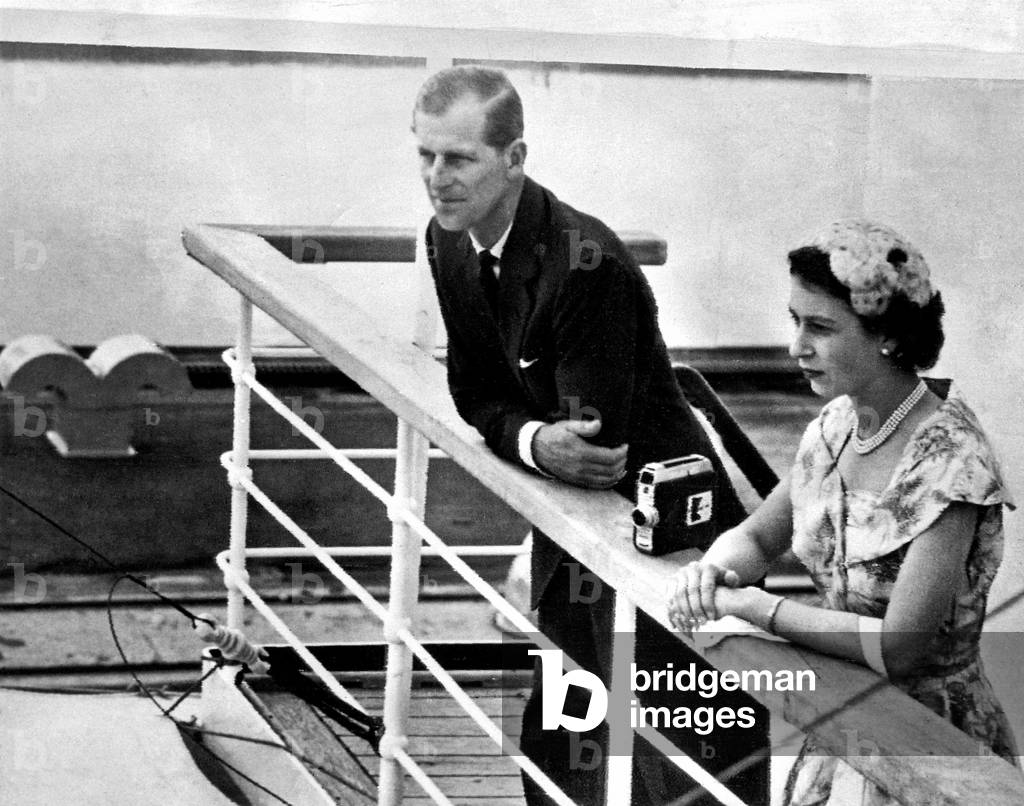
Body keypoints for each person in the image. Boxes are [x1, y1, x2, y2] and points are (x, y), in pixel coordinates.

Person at [412, 65, 766, 805]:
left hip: (670, 533)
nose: (438, 177)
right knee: (565, 739)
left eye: (460, 158)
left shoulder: (584, 264)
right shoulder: (448, 242)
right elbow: (473, 392)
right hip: (575, 536)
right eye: (426, 154)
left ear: (514, 158)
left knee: (686, 758)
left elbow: (594, 452)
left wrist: (535, 435)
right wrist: (533, 441)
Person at [667, 219, 1019, 804]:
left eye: (821, 328)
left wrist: (756, 608)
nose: (796, 346)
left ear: (888, 337)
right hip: (844, 717)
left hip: (930, 738)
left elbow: (900, 645)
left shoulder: (953, 460)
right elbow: (759, 537)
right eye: (796, 321)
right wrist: (712, 572)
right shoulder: (837, 426)